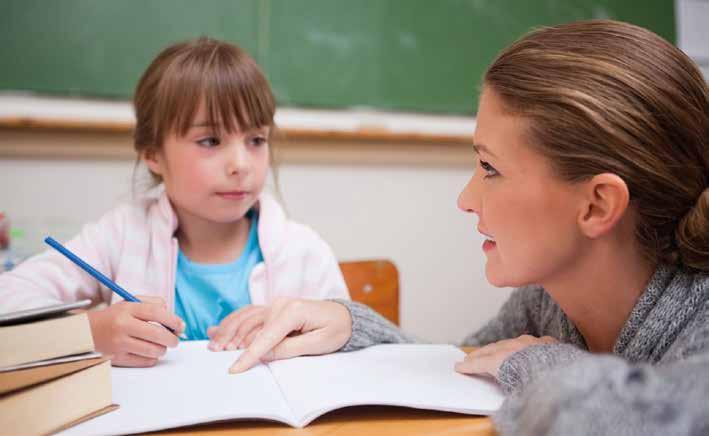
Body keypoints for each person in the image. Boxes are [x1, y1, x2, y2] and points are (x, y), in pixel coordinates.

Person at [226, 20, 709, 434]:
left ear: (597, 205)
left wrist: (535, 364)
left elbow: (610, 419)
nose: (465, 199)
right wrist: (352, 325)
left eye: (490, 169)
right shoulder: (550, 298)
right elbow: (466, 363)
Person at [0, 37, 349, 367]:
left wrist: (346, 321)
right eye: (211, 140)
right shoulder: (122, 234)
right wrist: (90, 332)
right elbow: (9, 296)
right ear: (153, 154)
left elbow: (371, 350)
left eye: (256, 139)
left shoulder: (303, 250)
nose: (241, 165)